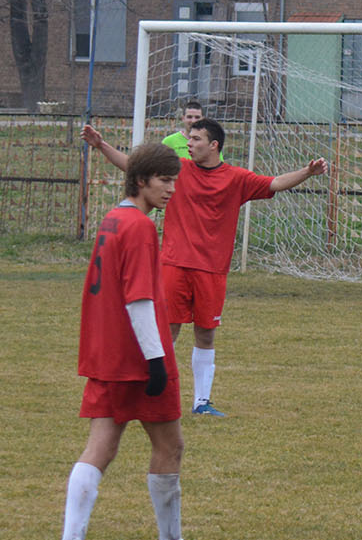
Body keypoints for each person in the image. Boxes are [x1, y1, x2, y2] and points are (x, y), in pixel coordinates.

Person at [81, 120, 327, 417]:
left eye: (196, 138)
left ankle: (201, 402)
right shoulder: (179, 171)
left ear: (214, 145)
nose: (190, 143)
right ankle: (152, 392)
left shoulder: (236, 178)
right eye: (190, 138)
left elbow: (274, 183)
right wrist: (101, 145)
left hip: (212, 271)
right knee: (166, 331)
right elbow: (133, 167)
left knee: (206, 334)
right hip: (173, 265)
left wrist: (308, 172)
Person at [56, 143, 221, 540]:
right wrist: (154, 361)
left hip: (108, 355)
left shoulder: (112, 219)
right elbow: (140, 301)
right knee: (170, 445)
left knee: (102, 445)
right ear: (141, 180)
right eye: (165, 181)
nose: (171, 189)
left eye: (174, 181)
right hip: (139, 357)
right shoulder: (141, 228)